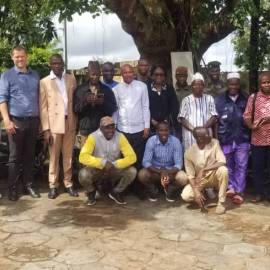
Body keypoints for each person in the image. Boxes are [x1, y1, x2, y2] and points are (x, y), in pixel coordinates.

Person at [0, 46, 40, 201]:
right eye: (17, 57)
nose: (20, 59)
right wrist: (7, 121)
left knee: (30, 155)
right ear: (12, 58)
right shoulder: (6, 76)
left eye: (22, 56)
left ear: (27, 57)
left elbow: (39, 99)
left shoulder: (35, 75)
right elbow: (2, 100)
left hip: (33, 121)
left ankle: (28, 185)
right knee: (15, 157)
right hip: (16, 122)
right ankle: (13, 188)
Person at [39, 54, 78, 199]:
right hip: (54, 124)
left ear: (63, 64)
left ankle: (68, 183)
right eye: (54, 63)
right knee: (54, 157)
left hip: (70, 122)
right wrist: (46, 129)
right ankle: (53, 185)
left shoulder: (71, 78)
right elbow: (43, 108)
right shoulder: (45, 82)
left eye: (60, 63)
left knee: (68, 156)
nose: (57, 66)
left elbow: (74, 101)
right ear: (50, 65)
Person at [79, 116, 137, 205]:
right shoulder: (93, 137)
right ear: (101, 128)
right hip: (97, 169)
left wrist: (115, 164)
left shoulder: (120, 136)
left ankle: (116, 192)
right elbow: (82, 157)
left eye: (113, 126)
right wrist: (102, 163)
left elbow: (132, 157)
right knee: (83, 174)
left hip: (114, 169)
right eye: (107, 127)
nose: (111, 130)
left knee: (132, 171)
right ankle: (91, 192)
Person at [215, 73, 250, 204]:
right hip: (226, 138)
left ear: (239, 84)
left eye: (236, 84)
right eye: (231, 84)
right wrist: (217, 138)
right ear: (227, 84)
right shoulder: (219, 100)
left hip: (242, 138)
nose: (233, 86)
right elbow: (216, 121)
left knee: (242, 165)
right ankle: (231, 187)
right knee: (228, 165)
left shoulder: (246, 98)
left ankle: (239, 191)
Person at [181, 127, 228, 215]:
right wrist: (196, 191)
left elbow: (222, 162)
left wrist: (204, 169)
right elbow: (190, 175)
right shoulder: (188, 153)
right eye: (206, 135)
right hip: (200, 180)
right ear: (199, 138)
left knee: (223, 170)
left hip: (214, 175)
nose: (209, 136)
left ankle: (221, 202)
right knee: (186, 196)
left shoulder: (215, 143)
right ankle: (201, 194)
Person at [138, 121, 188, 202]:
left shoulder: (175, 141)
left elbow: (179, 164)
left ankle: (170, 190)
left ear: (169, 131)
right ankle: (153, 189)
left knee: (183, 178)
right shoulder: (151, 140)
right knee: (142, 175)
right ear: (157, 131)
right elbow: (146, 162)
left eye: (166, 130)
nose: (164, 133)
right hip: (155, 170)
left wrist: (167, 172)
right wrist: (161, 172)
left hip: (171, 171)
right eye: (161, 130)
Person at [113, 64, 150, 167]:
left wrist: (147, 126)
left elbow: (145, 106)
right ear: (121, 74)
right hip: (122, 129)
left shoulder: (142, 86)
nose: (128, 74)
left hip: (139, 129)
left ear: (134, 73)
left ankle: (138, 182)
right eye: (125, 72)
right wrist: (114, 127)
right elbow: (116, 109)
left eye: (130, 72)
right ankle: (126, 182)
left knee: (138, 158)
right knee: (124, 158)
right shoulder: (116, 89)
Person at [73, 61, 117, 147]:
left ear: (100, 73)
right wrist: (86, 101)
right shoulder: (80, 90)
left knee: (102, 159)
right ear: (88, 73)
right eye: (92, 74)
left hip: (103, 132)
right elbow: (75, 109)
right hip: (85, 132)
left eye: (97, 74)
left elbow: (113, 109)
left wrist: (103, 103)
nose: (95, 77)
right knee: (86, 159)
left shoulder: (107, 90)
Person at [243, 71, 270, 202]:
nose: (266, 84)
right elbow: (246, 116)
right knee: (257, 168)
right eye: (264, 82)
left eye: (268, 82)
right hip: (257, 140)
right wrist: (251, 126)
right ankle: (259, 193)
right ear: (260, 84)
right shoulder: (253, 98)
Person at [178, 72, 218, 151]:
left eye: (200, 84)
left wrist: (203, 129)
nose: (198, 87)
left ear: (203, 86)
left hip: (206, 134)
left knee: (207, 159)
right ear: (191, 87)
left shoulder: (209, 98)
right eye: (195, 84)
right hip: (190, 135)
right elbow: (182, 118)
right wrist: (195, 130)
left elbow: (214, 116)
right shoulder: (186, 100)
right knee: (192, 160)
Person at [147, 65, 179, 134]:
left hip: (166, 127)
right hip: (150, 128)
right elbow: (144, 107)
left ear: (164, 76)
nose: (159, 76)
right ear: (152, 75)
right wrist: (152, 121)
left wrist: (165, 121)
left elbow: (174, 107)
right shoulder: (146, 89)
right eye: (156, 74)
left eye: (161, 74)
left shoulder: (170, 89)